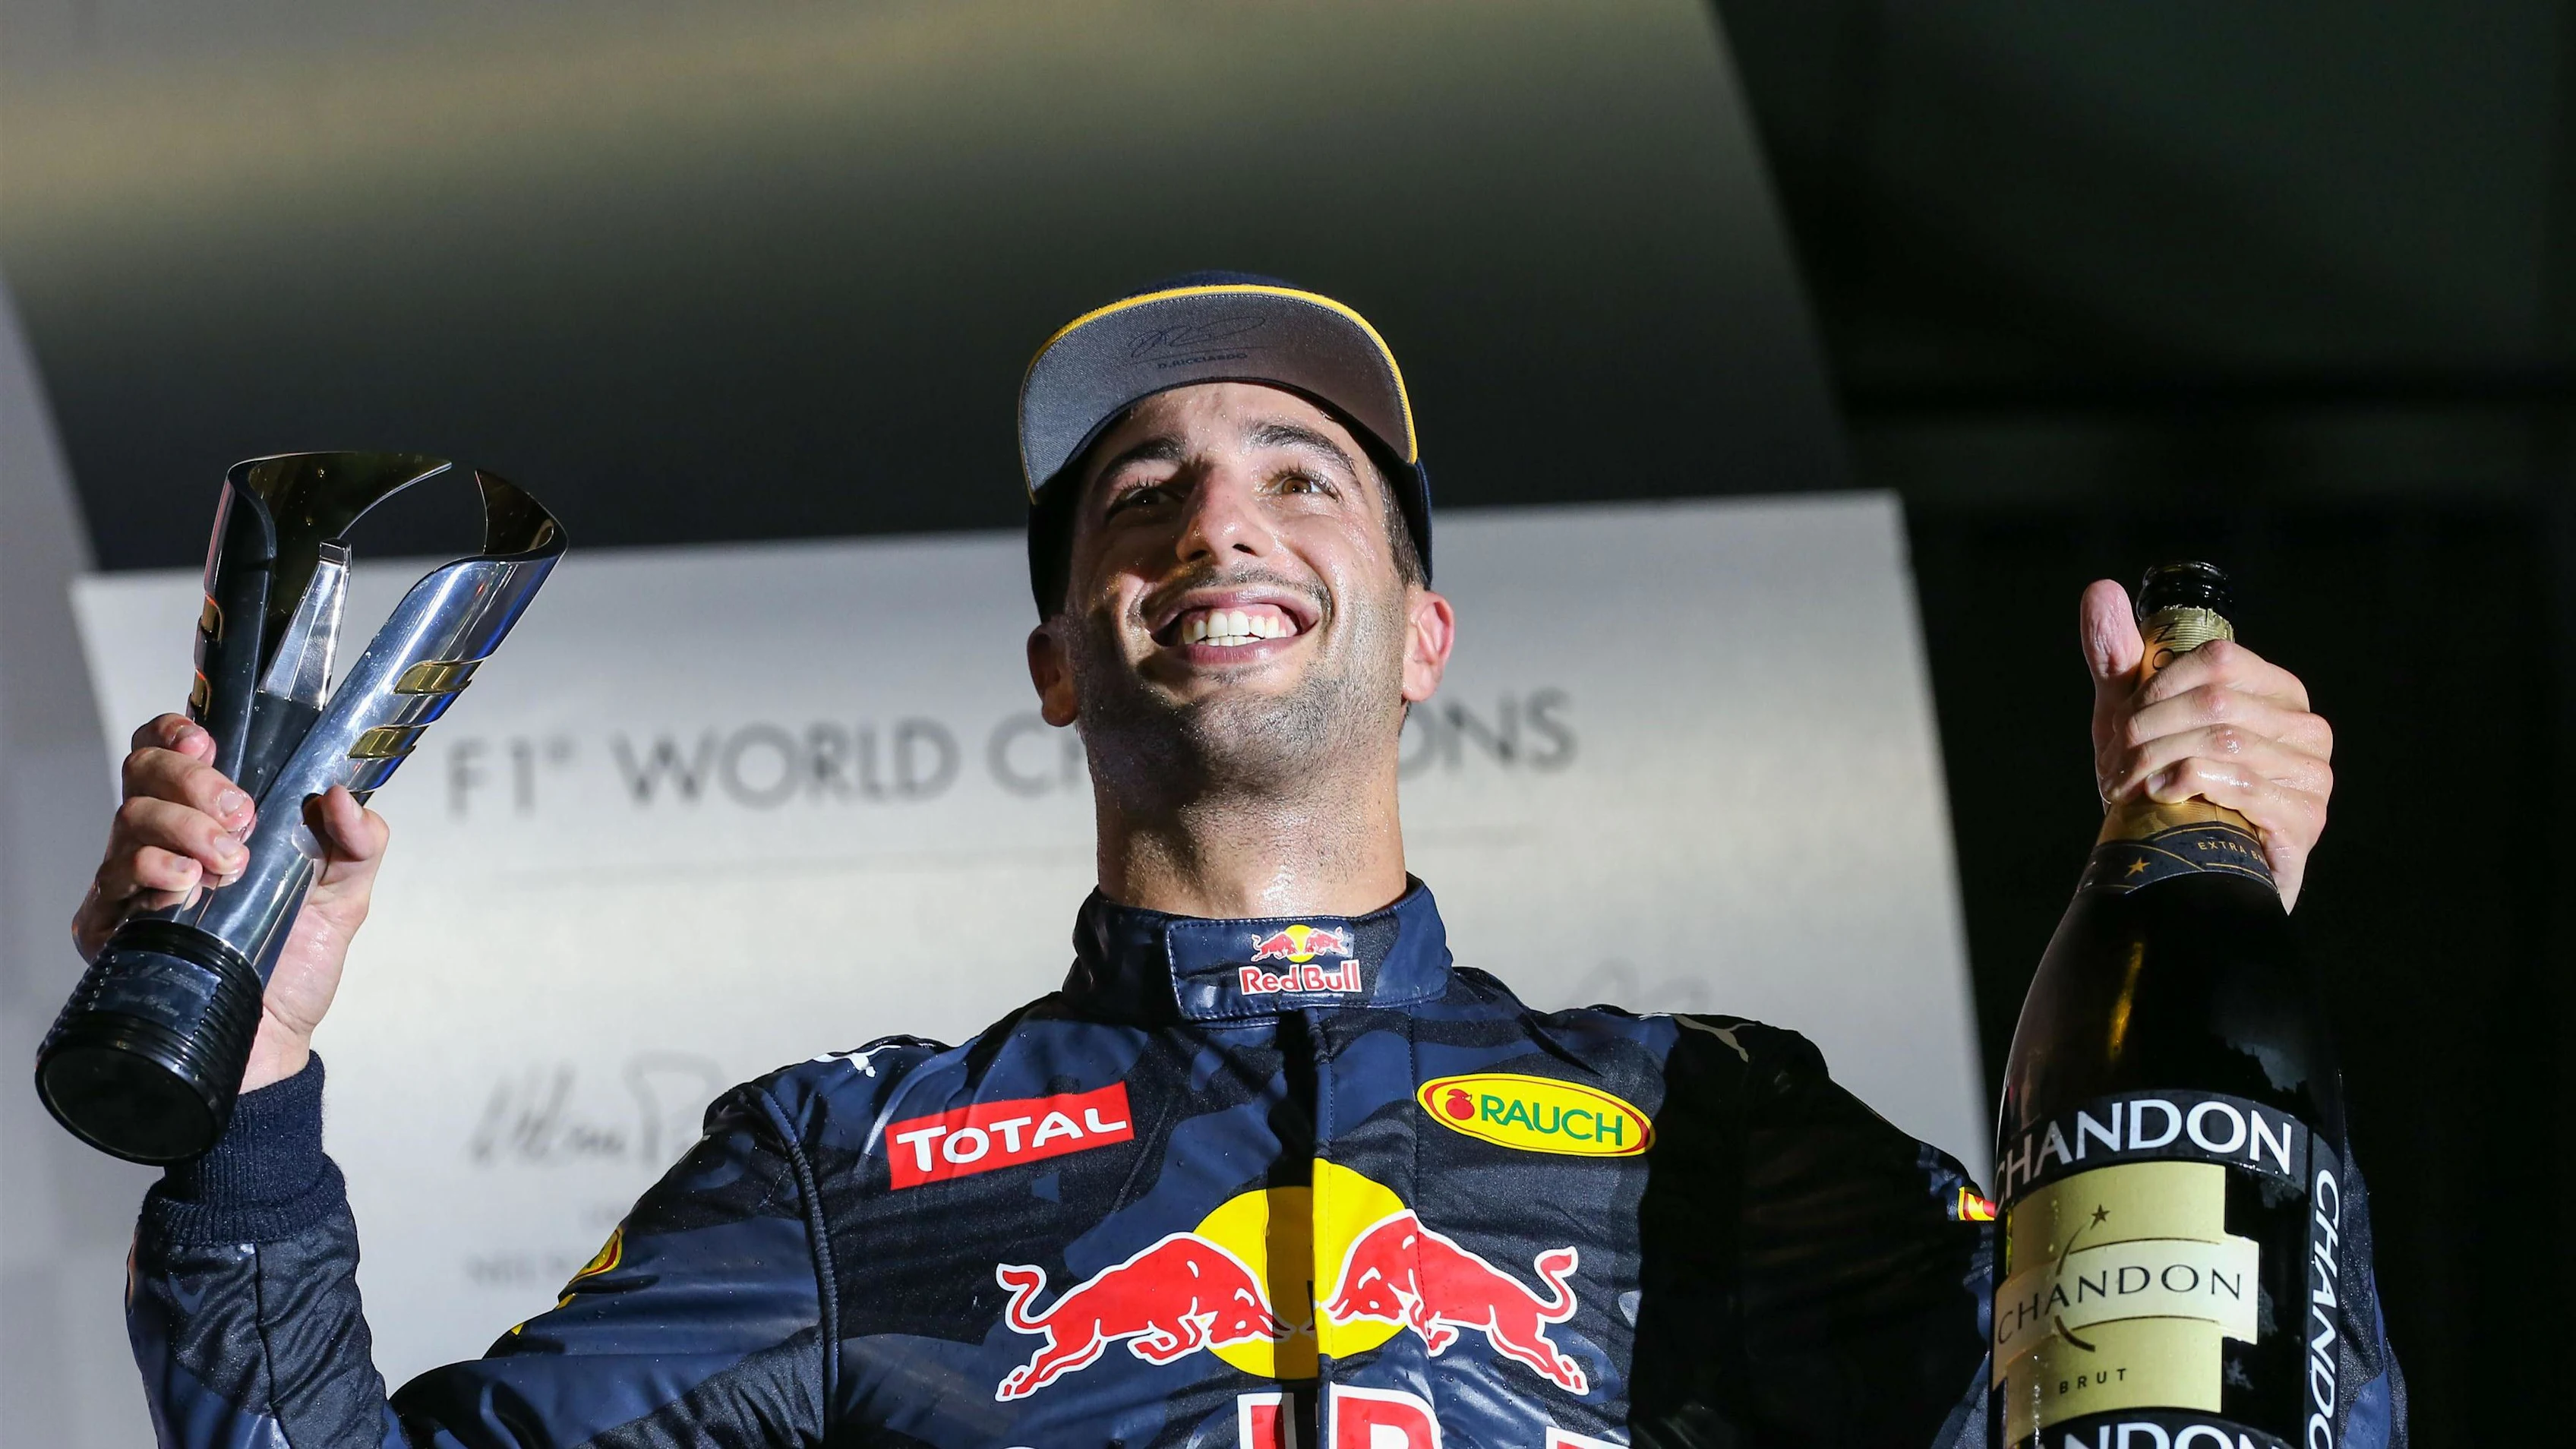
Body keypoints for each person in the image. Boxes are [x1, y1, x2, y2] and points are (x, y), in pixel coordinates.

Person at [87, 275, 2401, 1447]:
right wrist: (255, 1113)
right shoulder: (833, 1165)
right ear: (1059, 664)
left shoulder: (1718, 1133)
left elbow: (2219, 1426)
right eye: (1142, 491)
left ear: (1423, 639)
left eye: (1306, 476)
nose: (1219, 515)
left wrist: (2198, 934)